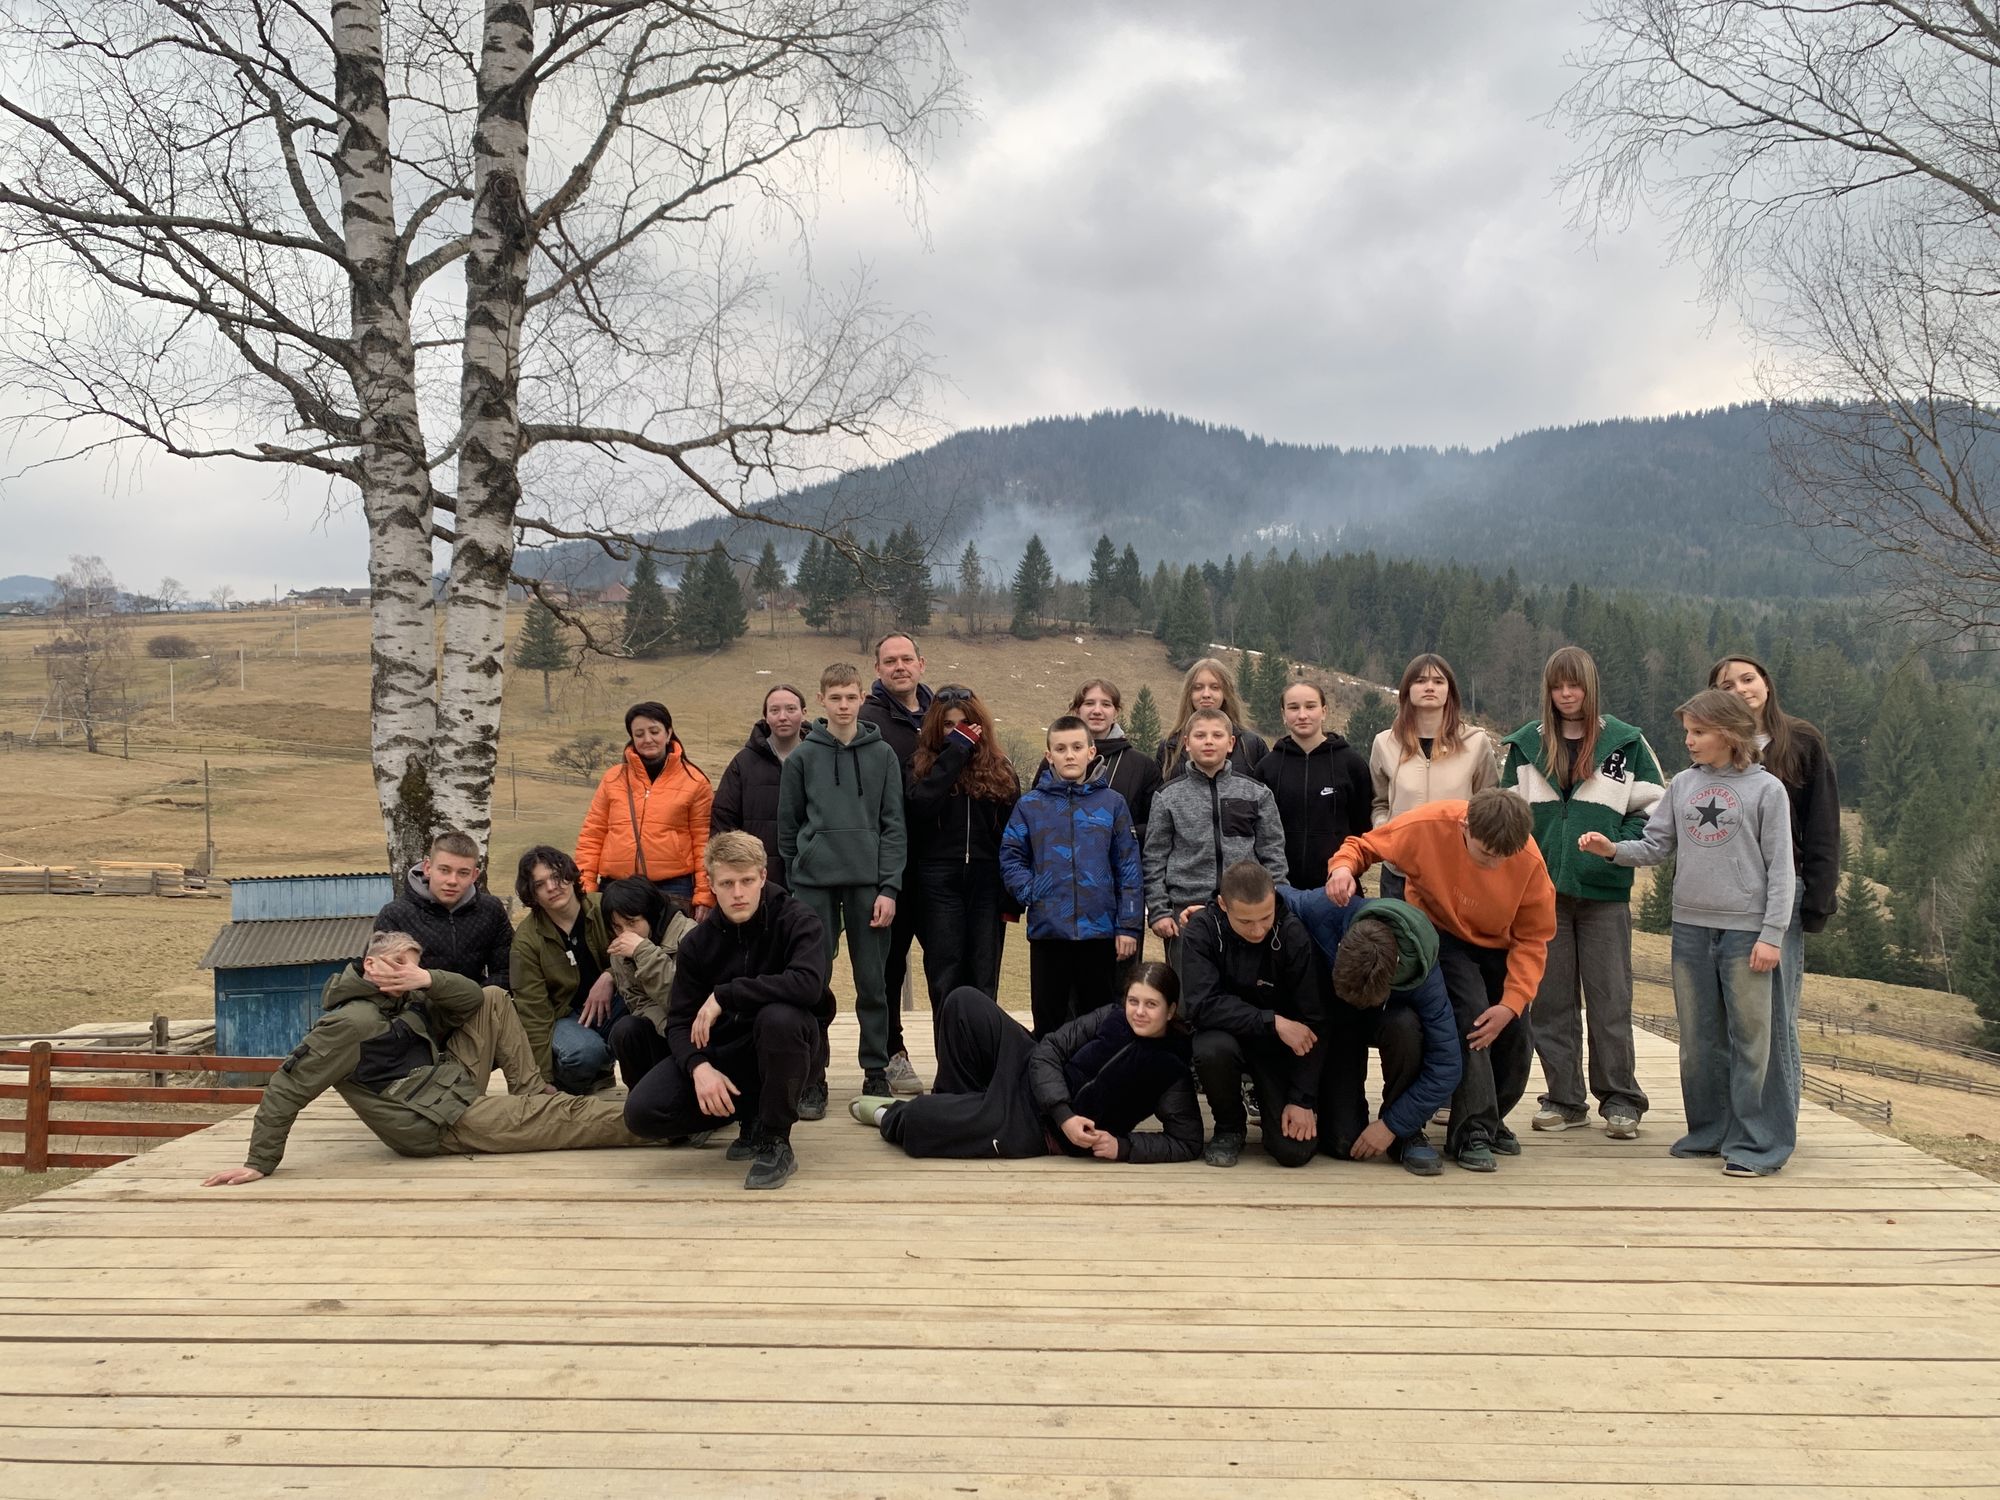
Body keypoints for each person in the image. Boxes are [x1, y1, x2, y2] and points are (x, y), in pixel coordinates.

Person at [201, 930, 640, 1184]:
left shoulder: (400, 998)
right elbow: (286, 1086)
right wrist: (258, 1163)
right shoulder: (348, 1025)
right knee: (566, 1116)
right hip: (434, 1123)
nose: (404, 973)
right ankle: (666, 1120)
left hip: (447, 1085)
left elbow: (471, 1001)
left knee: (490, 996)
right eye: (396, 963)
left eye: (411, 966)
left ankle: (529, 1094)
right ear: (370, 966)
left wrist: (425, 979)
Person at [1580, 689, 1797, 1177]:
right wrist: (1611, 849)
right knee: (1699, 1040)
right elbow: (1656, 846)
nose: (1689, 741)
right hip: (1691, 930)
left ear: (1730, 733)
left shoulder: (1768, 791)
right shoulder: (1682, 786)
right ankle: (1708, 1132)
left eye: (1698, 733)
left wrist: (1772, 934)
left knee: (1750, 1039)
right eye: (1687, 732)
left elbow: (1781, 870)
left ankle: (1755, 1144)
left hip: (1746, 934)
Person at [1327, 788, 1556, 1173]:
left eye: (1504, 857)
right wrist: (1342, 869)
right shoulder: (1429, 825)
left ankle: (1493, 1115)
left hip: (1497, 942)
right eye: (1485, 854)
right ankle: (1471, 1132)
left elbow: (1533, 938)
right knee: (1473, 1016)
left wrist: (1513, 1002)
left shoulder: (1528, 861)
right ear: (1465, 826)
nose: (1494, 863)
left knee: (1515, 1029)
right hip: (1439, 932)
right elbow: (1364, 846)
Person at [1500, 646, 1665, 1140]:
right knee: (1550, 1002)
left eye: (1575, 685)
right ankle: (1565, 1098)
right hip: (1543, 892)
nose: (1567, 694)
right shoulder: (1526, 745)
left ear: (1590, 687)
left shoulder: (1626, 743)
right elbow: (1505, 816)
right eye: (1558, 686)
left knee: (1609, 999)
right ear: (1547, 691)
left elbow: (1658, 808)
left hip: (1604, 891)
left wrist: (1616, 841)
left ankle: (1621, 1100)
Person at [619, 832, 835, 1190]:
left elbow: (807, 985)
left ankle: (775, 1138)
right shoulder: (697, 944)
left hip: (791, 1050)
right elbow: (679, 1023)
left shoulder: (797, 920)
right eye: (727, 883)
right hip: (727, 1054)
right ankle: (743, 1114)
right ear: (712, 885)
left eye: (747, 881)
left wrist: (726, 995)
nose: (738, 893)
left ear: (763, 877)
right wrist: (698, 1068)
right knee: (642, 1113)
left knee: (778, 1016)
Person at [853, 965, 1202, 1165]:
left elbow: (1186, 1142)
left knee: (918, 1118)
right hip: (1030, 1073)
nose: (1139, 1012)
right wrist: (1064, 1112)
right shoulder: (1110, 1017)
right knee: (963, 1002)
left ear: (1170, 1010)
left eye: (1151, 1005)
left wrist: (1122, 1147)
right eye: (1133, 1001)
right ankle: (963, 1107)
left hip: (1039, 1129)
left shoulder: (1170, 1068)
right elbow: (1048, 1048)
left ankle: (905, 1115)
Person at [1709, 653, 1840, 1116]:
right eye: (1727, 685)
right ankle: (1737, 1116)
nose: (1741, 689)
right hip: (1727, 898)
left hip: (1786, 892)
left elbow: (1823, 822)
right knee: (1734, 1016)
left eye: (1748, 679)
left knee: (1777, 1017)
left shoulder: (1800, 741)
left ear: (1766, 683)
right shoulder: (1714, 745)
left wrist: (1819, 899)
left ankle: (1779, 1120)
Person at [778, 662, 907, 1101]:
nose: (845, 705)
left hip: (868, 885)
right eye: (836, 697)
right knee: (813, 983)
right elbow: (788, 827)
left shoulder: (883, 754)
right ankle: (813, 1076)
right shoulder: (802, 757)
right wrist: (801, 875)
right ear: (821, 701)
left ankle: (875, 1070)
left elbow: (893, 825)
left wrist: (889, 887)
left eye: (852, 697)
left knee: (873, 983)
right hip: (814, 886)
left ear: (861, 699)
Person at [1281, 885, 1460, 1176]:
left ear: (1397, 967)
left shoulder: (1424, 976)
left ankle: (1406, 1134)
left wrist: (1392, 1124)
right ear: (1341, 946)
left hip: (1388, 1023)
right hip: (1338, 1024)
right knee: (1343, 1143)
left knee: (1405, 1027)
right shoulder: (1324, 909)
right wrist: (1215, 912)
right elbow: (1272, 894)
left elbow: (1447, 1064)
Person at [1000, 714, 1145, 1037]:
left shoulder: (1112, 804)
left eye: (1077, 747)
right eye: (1061, 748)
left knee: (1100, 1020)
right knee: (1049, 1022)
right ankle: (1048, 1082)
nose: (1069, 755)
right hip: (1049, 933)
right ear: (1049, 756)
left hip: (1100, 933)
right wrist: (1031, 891)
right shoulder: (1030, 806)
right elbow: (1011, 856)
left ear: (1091, 752)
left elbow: (1128, 867)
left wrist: (1129, 926)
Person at [1180, 861, 1323, 1168]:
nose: (1258, 930)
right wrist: (1272, 1020)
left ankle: (1276, 1102)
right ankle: (1229, 1126)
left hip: (1276, 1049)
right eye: (1245, 921)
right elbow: (1202, 1005)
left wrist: (1302, 1099)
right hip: (1227, 1038)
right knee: (1210, 1048)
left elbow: (1313, 1021)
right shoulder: (1202, 930)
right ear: (1222, 905)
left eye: (1266, 917)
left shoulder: (1293, 935)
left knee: (1294, 1153)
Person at [1143, 707, 1286, 970]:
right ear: (1186, 743)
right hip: (1185, 913)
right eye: (1200, 735)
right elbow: (1154, 858)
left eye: (1217, 735)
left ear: (1230, 743)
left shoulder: (1257, 793)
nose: (1209, 741)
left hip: (1245, 909)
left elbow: (1273, 853)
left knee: (1244, 991)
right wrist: (1160, 911)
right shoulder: (1167, 797)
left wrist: (1276, 901)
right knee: (1189, 997)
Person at [906, 685, 1020, 1007]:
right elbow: (919, 808)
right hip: (938, 879)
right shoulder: (919, 765)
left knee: (984, 976)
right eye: (948, 725)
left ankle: (982, 1054)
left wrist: (1010, 896)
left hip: (987, 880)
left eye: (965, 724)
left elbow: (1013, 834)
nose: (957, 731)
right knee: (946, 976)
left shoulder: (1001, 767)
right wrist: (954, 754)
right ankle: (950, 1057)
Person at [858, 631, 932, 1096]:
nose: (899, 666)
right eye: (890, 660)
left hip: (939, 862)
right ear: (878, 668)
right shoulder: (867, 720)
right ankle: (890, 1056)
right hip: (888, 865)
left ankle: (961, 1058)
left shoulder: (941, 715)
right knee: (885, 967)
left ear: (921, 664)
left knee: (943, 966)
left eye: (907, 659)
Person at [1368, 653, 1498, 899]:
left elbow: (1488, 803)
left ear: (1449, 691)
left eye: (1438, 681)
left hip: (1458, 872)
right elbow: (1379, 801)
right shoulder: (1384, 743)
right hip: (1400, 872)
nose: (1429, 687)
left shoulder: (1476, 742)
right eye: (1420, 680)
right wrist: (1384, 828)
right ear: (1407, 689)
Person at [573, 700, 714, 911]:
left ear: (668, 733)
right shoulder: (613, 778)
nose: (647, 739)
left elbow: (703, 842)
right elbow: (592, 836)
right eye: (639, 734)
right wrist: (585, 888)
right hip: (616, 887)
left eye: (654, 731)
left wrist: (703, 895)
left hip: (674, 887)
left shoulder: (695, 781)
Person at [508, 845, 620, 1094]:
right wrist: (542, 1079)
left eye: (557, 877)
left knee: (643, 1026)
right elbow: (533, 1012)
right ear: (532, 894)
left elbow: (637, 953)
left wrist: (610, 976)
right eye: (540, 884)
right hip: (566, 1016)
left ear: (571, 875)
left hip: (615, 1003)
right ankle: (575, 1080)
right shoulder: (526, 941)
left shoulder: (603, 907)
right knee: (583, 1053)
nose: (552, 887)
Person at [1254, 678, 1372, 892]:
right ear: (1283, 714)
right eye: (1293, 708)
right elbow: (1259, 832)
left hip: (1339, 887)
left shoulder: (1351, 764)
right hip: (1281, 890)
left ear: (1324, 711)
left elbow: (1362, 828)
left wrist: (1349, 869)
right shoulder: (1267, 768)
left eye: (1310, 706)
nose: (1302, 715)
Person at [597, 876, 701, 1099]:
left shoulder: (690, 935)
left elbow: (686, 1001)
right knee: (625, 1030)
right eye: (617, 926)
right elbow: (637, 1002)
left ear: (651, 914)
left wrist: (643, 952)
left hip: (697, 1035)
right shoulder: (620, 949)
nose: (625, 933)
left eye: (632, 922)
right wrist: (667, 1028)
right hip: (664, 1029)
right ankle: (645, 1100)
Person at [373, 829, 512, 991]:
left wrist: (471, 997)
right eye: (444, 870)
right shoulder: (395, 915)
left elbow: (507, 972)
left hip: (475, 1005)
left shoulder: (491, 910)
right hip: (414, 1009)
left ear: (474, 876)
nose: (452, 881)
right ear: (428, 868)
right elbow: (380, 977)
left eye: (463, 873)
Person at [711, 683, 808, 889]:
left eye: (791, 709)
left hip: (810, 876)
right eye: (774, 710)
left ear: (804, 713)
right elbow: (723, 822)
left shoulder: (820, 759)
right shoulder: (743, 763)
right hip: (757, 879)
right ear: (766, 716)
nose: (783, 716)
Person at [1069, 678, 1162, 844]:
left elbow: (1156, 824)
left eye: (1106, 704)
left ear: (1116, 712)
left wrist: (1124, 832)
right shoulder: (1055, 761)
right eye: (1089, 703)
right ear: (1077, 710)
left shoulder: (1142, 766)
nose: (1097, 711)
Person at [1156, 657, 1269, 780]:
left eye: (1215, 687)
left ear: (1226, 693)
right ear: (1189, 694)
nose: (1206, 694)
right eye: (1198, 687)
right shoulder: (1170, 747)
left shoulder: (1251, 745)